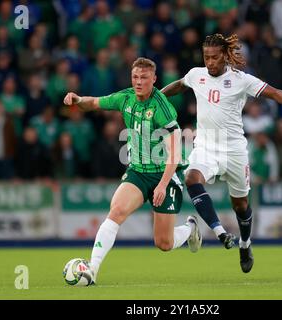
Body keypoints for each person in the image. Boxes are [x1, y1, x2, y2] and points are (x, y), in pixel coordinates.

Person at [161, 33, 282, 273]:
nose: (210, 62)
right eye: (206, 57)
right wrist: (155, 96)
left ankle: (245, 243)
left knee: (240, 205)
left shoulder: (241, 79)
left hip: (235, 151)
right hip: (206, 146)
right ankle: (220, 232)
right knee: (191, 178)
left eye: (215, 57)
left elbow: (273, 91)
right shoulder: (196, 75)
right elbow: (179, 85)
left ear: (225, 56)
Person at [63, 57, 202, 284]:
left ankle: (190, 227)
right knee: (116, 211)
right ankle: (93, 269)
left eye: (144, 78)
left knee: (164, 243)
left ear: (154, 79)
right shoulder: (126, 97)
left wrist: (162, 184)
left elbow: (175, 154)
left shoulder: (163, 109)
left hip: (166, 174)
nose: (138, 82)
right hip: (138, 171)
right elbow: (95, 102)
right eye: (135, 77)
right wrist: (78, 99)